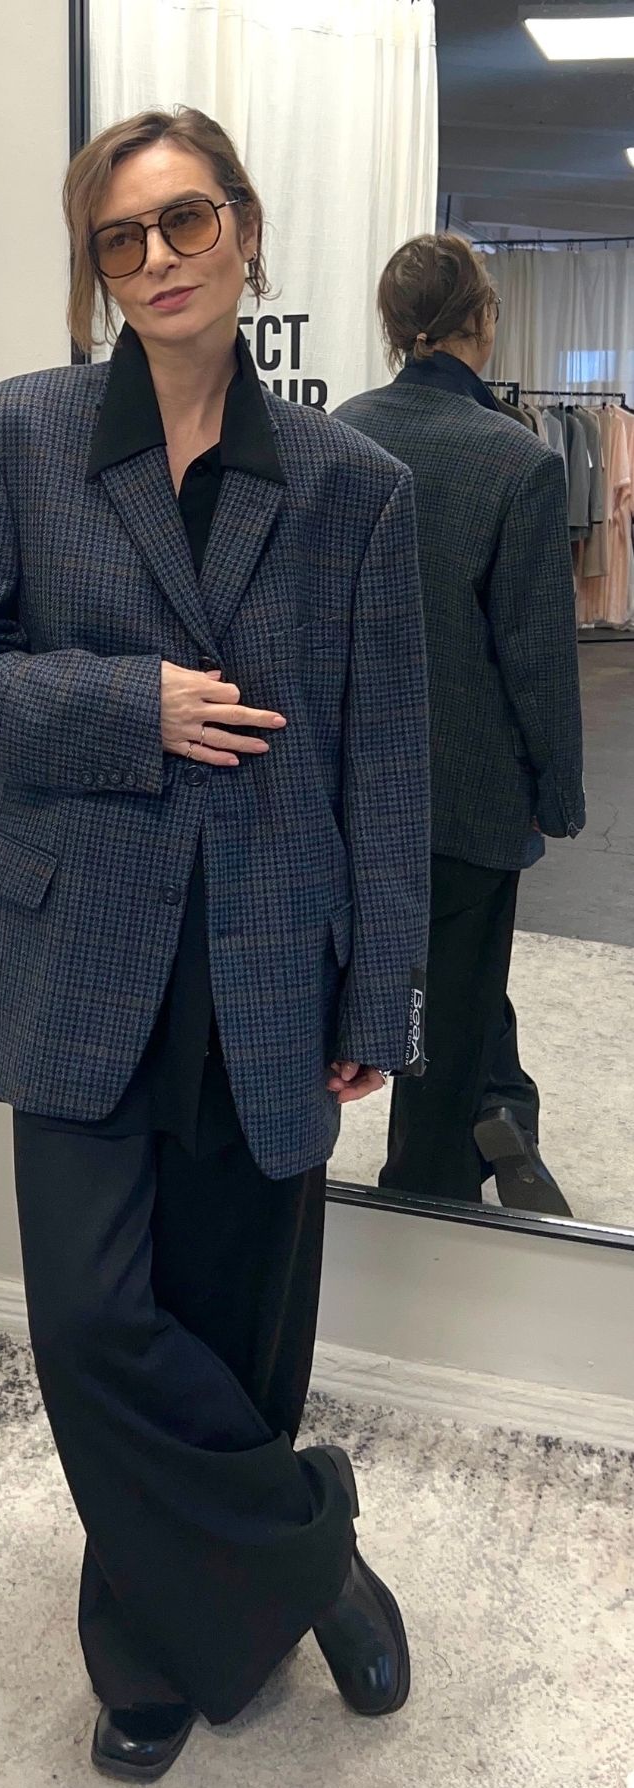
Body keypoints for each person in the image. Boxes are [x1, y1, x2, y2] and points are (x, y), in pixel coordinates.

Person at [0, 107, 430, 1785]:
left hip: (274, 963)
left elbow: (385, 761)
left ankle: (151, 1648)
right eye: (119, 238)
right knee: (91, 1327)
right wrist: (128, 705)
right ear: (97, 267)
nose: (156, 259)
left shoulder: (354, 487)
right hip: (79, 958)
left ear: (244, 230)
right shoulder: (16, 438)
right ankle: (311, 1550)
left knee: (233, 1330)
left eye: (183, 221)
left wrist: (379, 994)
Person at [334, 234, 585, 1214]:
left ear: (393, 323)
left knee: (420, 980)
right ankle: (430, 1188)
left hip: (348, 783)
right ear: (481, 319)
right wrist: (556, 792)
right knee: (459, 985)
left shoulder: (338, 435)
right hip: (466, 790)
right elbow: (535, 656)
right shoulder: (515, 462)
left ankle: (500, 1107)